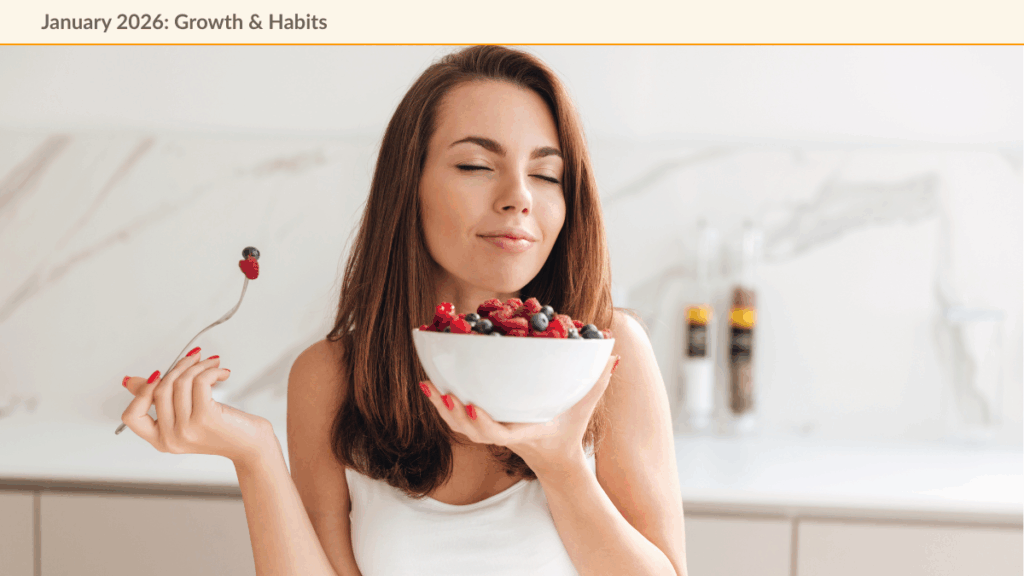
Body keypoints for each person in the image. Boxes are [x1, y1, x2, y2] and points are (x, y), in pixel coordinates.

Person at [121, 45, 688, 576]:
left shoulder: (608, 355)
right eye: (475, 166)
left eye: (546, 175)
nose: (519, 196)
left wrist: (562, 465)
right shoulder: (330, 377)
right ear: (407, 184)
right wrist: (254, 455)